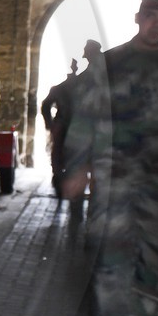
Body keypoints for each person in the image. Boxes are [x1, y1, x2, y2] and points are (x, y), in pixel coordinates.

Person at [61, 1, 158, 316]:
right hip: (116, 171)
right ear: (138, 20)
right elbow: (86, 115)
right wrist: (78, 165)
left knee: (154, 248)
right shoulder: (109, 64)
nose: (157, 24)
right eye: (151, 17)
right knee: (111, 242)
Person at [41, 40, 100, 198]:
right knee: (60, 150)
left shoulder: (93, 79)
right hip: (70, 123)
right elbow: (46, 105)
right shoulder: (74, 84)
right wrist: (51, 124)